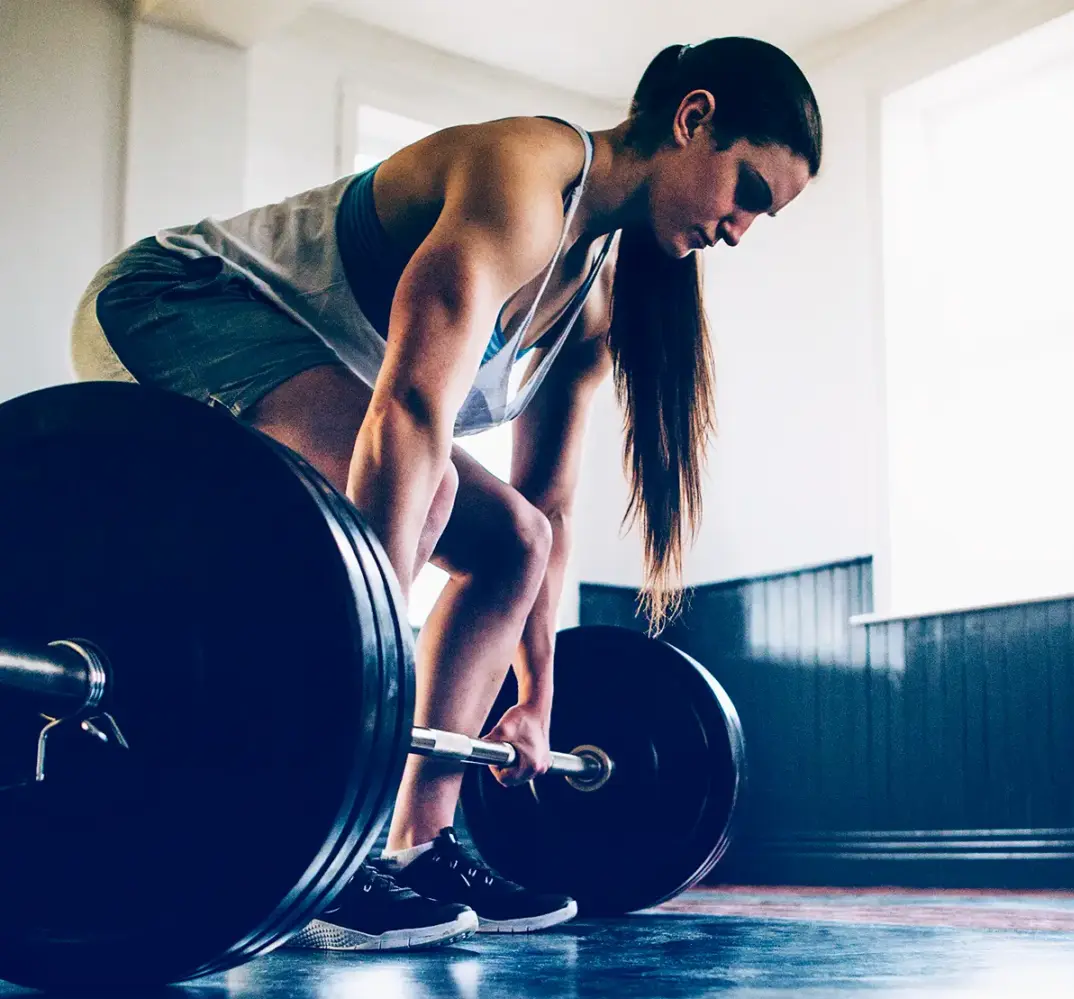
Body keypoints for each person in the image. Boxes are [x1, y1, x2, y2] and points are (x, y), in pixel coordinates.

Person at [71, 37, 822, 950]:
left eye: (762, 216)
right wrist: (370, 662)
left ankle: (421, 846)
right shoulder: (523, 176)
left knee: (512, 541)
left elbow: (548, 509)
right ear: (693, 119)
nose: (739, 231)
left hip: (312, 374)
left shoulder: (591, 304)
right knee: (417, 502)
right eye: (749, 191)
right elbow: (409, 414)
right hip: (173, 302)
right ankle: (319, 847)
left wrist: (539, 695)